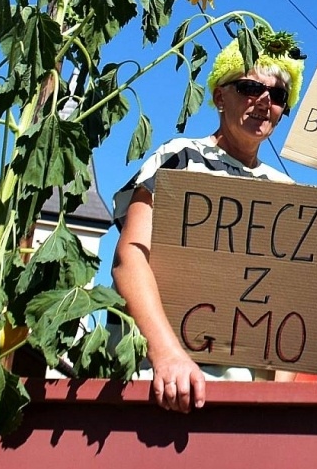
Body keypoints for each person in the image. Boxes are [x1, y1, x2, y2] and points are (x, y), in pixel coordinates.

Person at [111, 36, 303, 413]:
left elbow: (291, 304)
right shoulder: (180, 158)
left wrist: (278, 397)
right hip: (164, 389)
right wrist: (167, 354)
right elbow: (130, 258)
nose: (265, 102)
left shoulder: (287, 193)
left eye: (278, 96)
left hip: (246, 406)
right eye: (250, 88)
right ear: (219, 97)